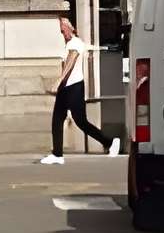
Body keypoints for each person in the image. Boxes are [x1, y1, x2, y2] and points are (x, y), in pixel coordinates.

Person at [42, 15, 121, 165]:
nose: (63, 32)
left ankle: (110, 142)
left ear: (71, 27)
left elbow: (71, 62)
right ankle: (57, 154)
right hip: (65, 88)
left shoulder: (76, 43)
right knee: (57, 119)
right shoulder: (67, 45)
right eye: (61, 30)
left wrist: (58, 81)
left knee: (81, 122)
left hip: (74, 87)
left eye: (64, 29)